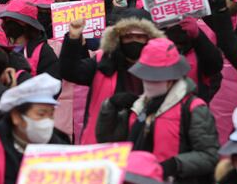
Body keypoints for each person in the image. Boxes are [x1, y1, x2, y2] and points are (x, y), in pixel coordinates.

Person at [97, 37, 219, 184]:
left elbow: (209, 156)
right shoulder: (140, 106)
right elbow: (110, 142)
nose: (149, 82)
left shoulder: (193, 108)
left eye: (155, 78)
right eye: (146, 77)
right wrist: (109, 108)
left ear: (172, 78)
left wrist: (175, 164)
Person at [60, 13, 164, 144]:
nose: (134, 41)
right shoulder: (102, 61)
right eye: (128, 37)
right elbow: (70, 72)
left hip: (146, 141)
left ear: (149, 38)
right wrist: (73, 39)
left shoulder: (161, 65)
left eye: (139, 37)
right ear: (118, 38)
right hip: (102, 144)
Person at [0, 0, 59, 78]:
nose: (10, 23)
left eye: (16, 19)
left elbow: (53, 82)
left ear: (28, 24)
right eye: (8, 19)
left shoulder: (43, 51)